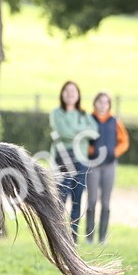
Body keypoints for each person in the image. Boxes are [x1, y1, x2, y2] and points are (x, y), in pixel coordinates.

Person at [50, 81, 94, 242]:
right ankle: (57, 235)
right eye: (67, 91)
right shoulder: (56, 113)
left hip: (81, 160)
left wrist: (74, 133)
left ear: (78, 95)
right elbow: (62, 132)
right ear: (62, 94)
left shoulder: (84, 114)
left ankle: (72, 238)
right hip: (63, 158)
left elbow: (94, 131)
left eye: (73, 91)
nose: (70, 94)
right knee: (61, 197)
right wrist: (81, 133)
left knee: (77, 199)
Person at [84, 92, 128, 244]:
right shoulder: (88, 119)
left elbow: (124, 142)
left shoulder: (115, 121)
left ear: (109, 105)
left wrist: (115, 152)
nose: (102, 105)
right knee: (91, 200)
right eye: (100, 102)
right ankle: (89, 237)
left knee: (106, 202)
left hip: (109, 165)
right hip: (93, 165)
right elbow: (82, 139)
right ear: (94, 103)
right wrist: (89, 150)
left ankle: (102, 238)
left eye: (106, 102)